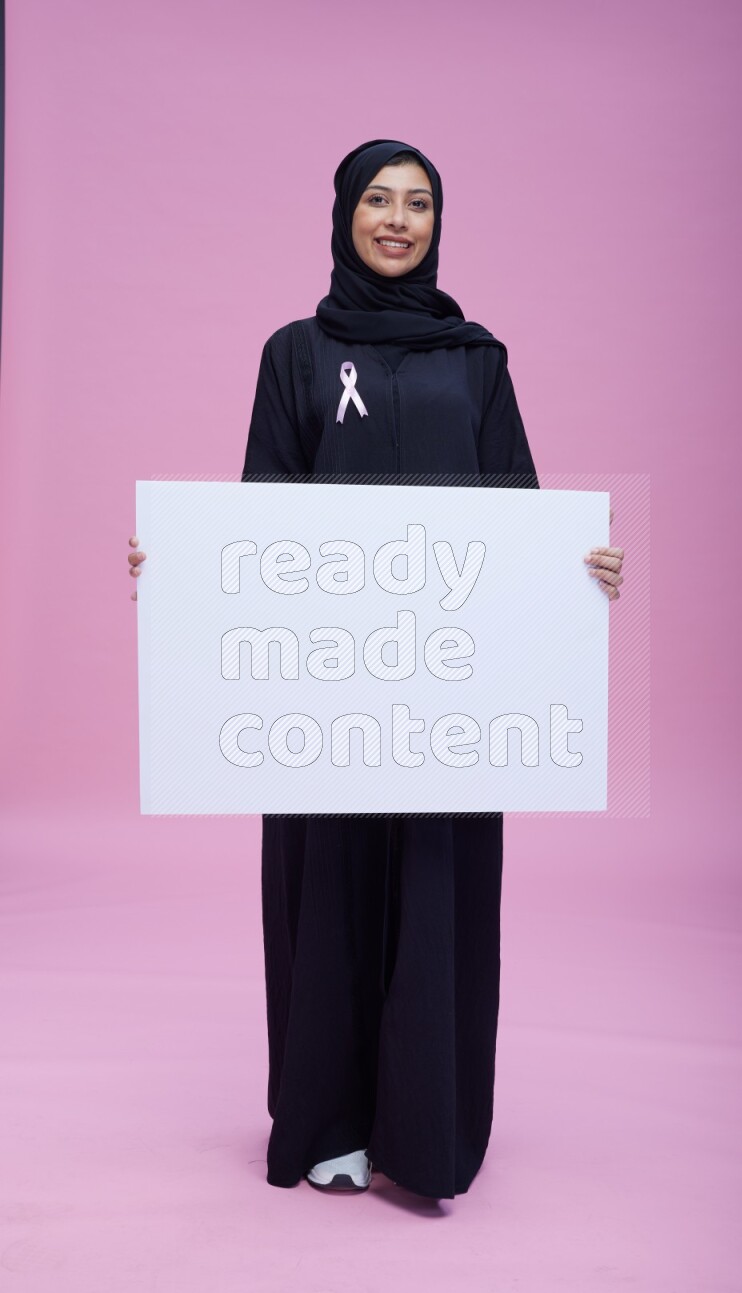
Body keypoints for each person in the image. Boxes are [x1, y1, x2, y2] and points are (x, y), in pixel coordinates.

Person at [127, 138, 624, 1200]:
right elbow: (256, 515)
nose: (397, 220)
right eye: (378, 201)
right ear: (344, 214)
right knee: (330, 896)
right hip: (325, 692)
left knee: (438, 897)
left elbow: (521, 518)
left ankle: (425, 1137)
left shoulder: (477, 361)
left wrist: (583, 571)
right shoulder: (296, 354)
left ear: (438, 225)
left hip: (450, 692)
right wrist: (180, 571)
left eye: (418, 204)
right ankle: (328, 1125)